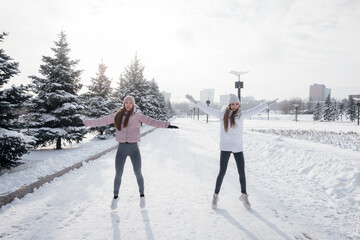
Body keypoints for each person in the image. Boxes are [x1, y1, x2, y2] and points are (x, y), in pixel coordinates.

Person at [83, 96, 178, 210]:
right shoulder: (117, 115)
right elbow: (101, 121)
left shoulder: (138, 116)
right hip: (121, 148)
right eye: (126, 103)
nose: (128, 105)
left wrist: (167, 125)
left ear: (133, 105)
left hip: (134, 149)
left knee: (138, 172)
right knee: (118, 173)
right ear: (123, 104)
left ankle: (142, 196)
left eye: (130, 103)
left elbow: (152, 121)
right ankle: (115, 197)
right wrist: (84, 123)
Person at [185, 93, 276, 209]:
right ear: (228, 105)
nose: (235, 106)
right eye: (232, 104)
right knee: (222, 172)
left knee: (241, 172)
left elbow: (254, 110)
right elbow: (207, 110)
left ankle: (244, 195)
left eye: (236, 104)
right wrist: (195, 102)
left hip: (238, 147)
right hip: (226, 147)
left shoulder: (242, 115)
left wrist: (266, 104)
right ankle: (215, 196)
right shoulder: (222, 115)